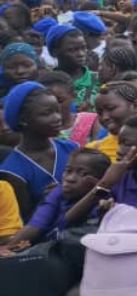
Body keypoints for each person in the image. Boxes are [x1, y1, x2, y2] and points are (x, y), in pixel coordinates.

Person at [0, 82, 79, 221]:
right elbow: (22, 222)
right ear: (24, 120)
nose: (57, 118)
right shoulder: (13, 171)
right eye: (47, 113)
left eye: (57, 111)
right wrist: (45, 202)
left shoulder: (72, 148)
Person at [0, 148, 109, 247]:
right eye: (68, 171)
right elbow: (35, 227)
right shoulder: (57, 193)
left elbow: (66, 222)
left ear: (99, 180)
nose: (70, 178)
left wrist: (97, 192)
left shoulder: (105, 202)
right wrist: (7, 250)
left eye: (83, 174)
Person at [46, 25, 99, 110]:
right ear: (54, 52)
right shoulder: (48, 83)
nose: (81, 54)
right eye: (72, 50)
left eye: (83, 48)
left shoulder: (98, 80)